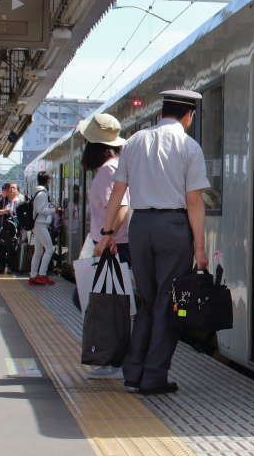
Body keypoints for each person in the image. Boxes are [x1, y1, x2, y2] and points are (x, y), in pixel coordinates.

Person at [97, 89, 210, 396]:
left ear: (162, 112)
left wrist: (107, 234)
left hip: (140, 225)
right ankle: (154, 377)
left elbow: (118, 192)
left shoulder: (133, 142)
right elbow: (194, 200)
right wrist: (200, 247)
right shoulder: (189, 146)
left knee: (147, 301)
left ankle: (133, 374)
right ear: (189, 115)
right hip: (173, 227)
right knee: (168, 304)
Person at [80, 113, 131, 379]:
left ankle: (114, 361)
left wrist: (107, 237)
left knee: (106, 304)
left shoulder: (109, 170)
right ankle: (113, 359)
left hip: (113, 246)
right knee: (108, 303)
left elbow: (122, 206)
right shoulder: (113, 168)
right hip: (112, 244)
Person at [28, 171, 56, 285]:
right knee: (49, 249)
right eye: (50, 180)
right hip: (40, 224)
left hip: (37, 224)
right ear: (47, 181)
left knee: (38, 251)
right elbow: (40, 210)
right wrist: (54, 210)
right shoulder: (42, 193)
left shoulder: (37, 192)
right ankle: (42, 275)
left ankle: (33, 275)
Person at [0, 183, 22, 275]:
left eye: (14, 188)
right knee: (1, 250)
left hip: (15, 229)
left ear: (17, 191)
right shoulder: (2, 201)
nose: (11, 189)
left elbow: (22, 215)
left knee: (12, 249)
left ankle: (11, 268)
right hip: (2, 228)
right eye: (10, 188)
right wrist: (4, 211)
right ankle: (1, 268)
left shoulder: (21, 202)